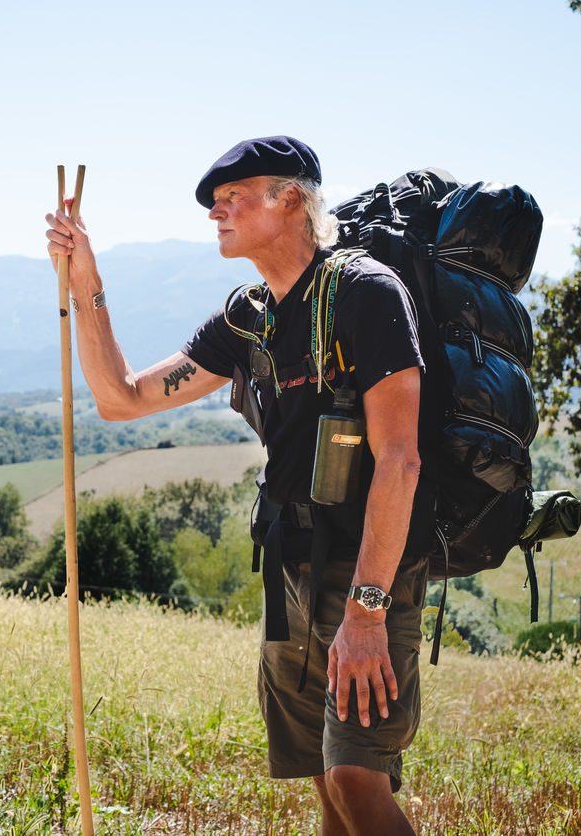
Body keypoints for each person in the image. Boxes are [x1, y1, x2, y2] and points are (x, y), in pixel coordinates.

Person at [44, 136, 427, 836]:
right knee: (326, 783)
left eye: (233, 198)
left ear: (290, 199)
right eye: (215, 202)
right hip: (288, 565)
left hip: (364, 571)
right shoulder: (248, 318)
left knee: (357, 778)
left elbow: (400, 459)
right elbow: (122, 398)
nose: (215, 212)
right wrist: (85, 284)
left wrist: (367, 612)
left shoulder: (367, 294)